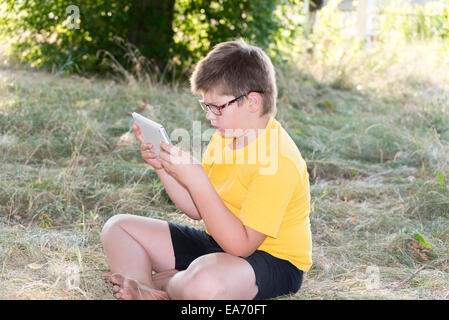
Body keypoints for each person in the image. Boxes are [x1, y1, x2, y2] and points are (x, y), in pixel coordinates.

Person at [101, 39, 312, 300]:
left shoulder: (278, 161)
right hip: (220, 245)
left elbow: (241, 246)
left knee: (202, 284)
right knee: (117, 227)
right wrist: (163, 167)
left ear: (253, 102)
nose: (209, 117)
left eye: (217, 107)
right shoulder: (225, 137)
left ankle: (170, 286)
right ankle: (146, 289)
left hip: (271, 259)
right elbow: (196, 208)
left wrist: (197, 179)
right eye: (206, 106)